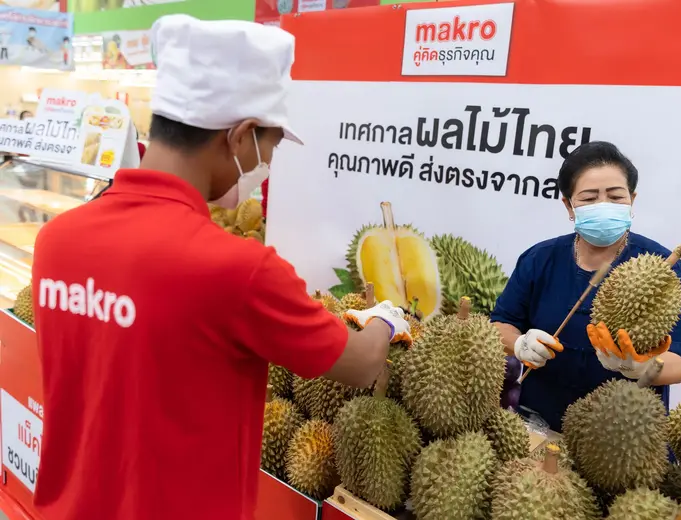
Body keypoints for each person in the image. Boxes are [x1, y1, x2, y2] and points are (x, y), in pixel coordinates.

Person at [31, 15, 410, 520]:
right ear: (241, 136)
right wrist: (387, 318)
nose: (267, 165)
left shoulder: (57, 240)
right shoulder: (239, 270)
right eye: (270, 148)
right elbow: (362, 363)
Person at [491, 141, 681, 433]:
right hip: (535, 421)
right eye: (589, 198)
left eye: (615, 197)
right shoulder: (539, 259)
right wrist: (519, 344)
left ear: (632, 200)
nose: (604, 206)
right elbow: (500, 324)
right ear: (569, 205)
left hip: (622, 432)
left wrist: (642, 367)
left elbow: (680, 360)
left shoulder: (668, 270)